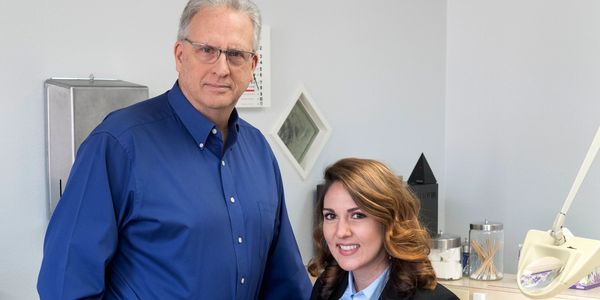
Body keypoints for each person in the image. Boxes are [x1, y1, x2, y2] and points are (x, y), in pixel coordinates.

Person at [37, 0, 312, 299]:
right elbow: (65, 285)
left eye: (235, 54)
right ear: (180, 55)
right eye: (207, 50)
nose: (221, 68)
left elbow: (286, 282)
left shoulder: (259, 151)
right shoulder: (118, 144)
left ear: (252, 67)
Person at [308, 158, 458, 300]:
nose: (341, 232)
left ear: (389, 221)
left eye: (358, 215)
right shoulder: (324, 288)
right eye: (330, 216)